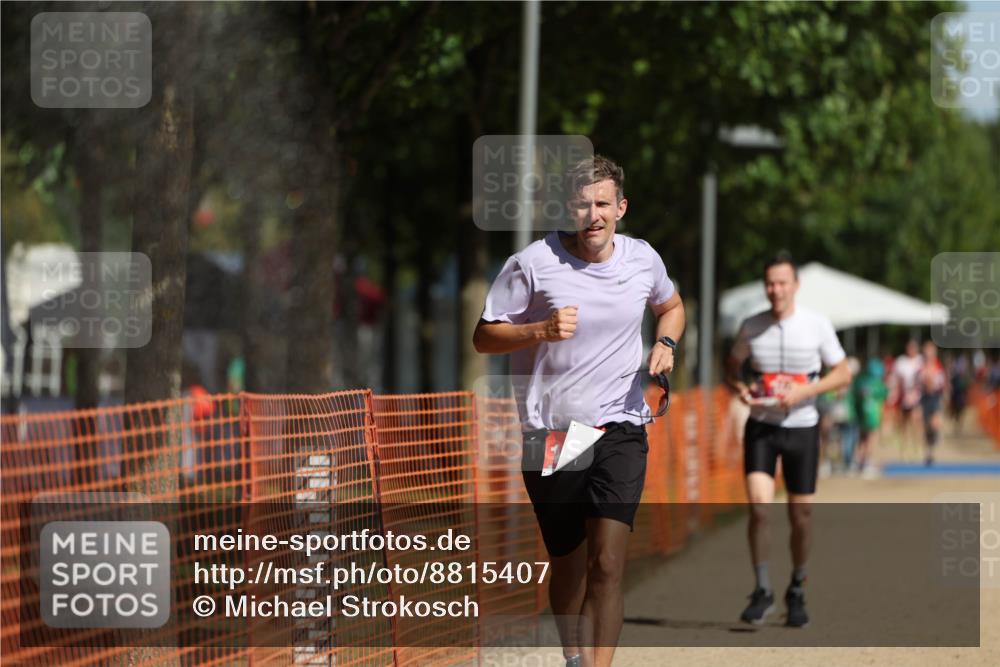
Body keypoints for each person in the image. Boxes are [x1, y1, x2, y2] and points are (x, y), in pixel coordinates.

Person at [473, 155, 684, 667]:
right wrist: (538, 330)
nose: (593, 214)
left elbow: (671, 306)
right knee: (567, 560)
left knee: (608, 561)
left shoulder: (642, 259)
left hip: (621, 424)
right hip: (553, 431)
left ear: (621, 208)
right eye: (582, 204)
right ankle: (573, 658)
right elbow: (484, 337)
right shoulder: (532, 264)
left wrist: (667, 343)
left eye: (603, 204)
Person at [725, 252, 851, 628]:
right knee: (760, 509)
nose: (775, 290)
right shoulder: (751, 326)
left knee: (801, 516)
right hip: (762, 425)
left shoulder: (816, 325)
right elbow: (731, 366)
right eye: (770, 283)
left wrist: (806, 391)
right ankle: (762, 589)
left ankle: (797, 586)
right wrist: (742, 387)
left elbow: (843, 373)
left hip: (802, 426)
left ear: (795, 285)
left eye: (782, 283)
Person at [853, 357, 888, 477]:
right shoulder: (878, 384)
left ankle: (859, 463)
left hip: (861, 415)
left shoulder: (860, 381)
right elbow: (884, 396)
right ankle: (867, 464)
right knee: (870, 439)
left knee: (862, 439)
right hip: (872, 415)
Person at [891, 340, 924, 460]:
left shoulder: (921, 361)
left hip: (917, 397)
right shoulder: (901, 362)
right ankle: (903, 451)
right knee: (903, 425)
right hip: (903, 398)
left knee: (916, 424)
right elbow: (895, 379)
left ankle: (918, 449)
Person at [919, 340, 947, 466]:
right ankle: (928, 452)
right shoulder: (921, 365)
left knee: (935, 423)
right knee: (926, 427)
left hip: (935, 397)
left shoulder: (938, 365)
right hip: (924, 397)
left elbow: (941, 383)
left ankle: (934, 443)